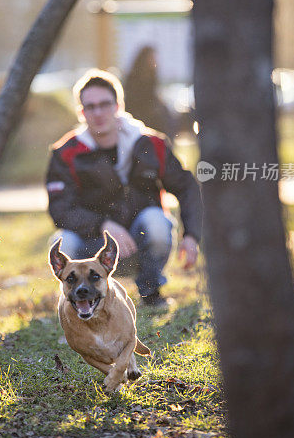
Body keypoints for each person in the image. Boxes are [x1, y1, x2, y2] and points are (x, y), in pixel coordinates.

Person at [46, 69, 202, 307]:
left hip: (140, 240)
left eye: (104, 104)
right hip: (92, 244)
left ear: (118, 105)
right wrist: (102, 225)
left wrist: (191, 235)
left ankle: (151, 292)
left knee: (156, 221)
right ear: (81, 112)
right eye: (90, 107)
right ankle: (80, 298)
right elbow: (60, 210)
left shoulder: (151, 143)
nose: (98, 112)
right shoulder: (65, 152)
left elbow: (187, 187)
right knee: (63, 241)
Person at [123, 45, 180, 139]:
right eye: (152, 58)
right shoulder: (134, 78)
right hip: (140, 111)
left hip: (150, 111)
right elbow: (134, 97)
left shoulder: (152, 76)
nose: (155, 61)